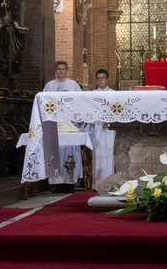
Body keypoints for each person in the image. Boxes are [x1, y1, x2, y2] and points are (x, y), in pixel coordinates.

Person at [43, 61, 82, 193]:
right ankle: (56, 183)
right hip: (55, 124)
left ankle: (70, 183)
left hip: (69, 123)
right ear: (56, 71)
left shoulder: (73, 85)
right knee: (56, 152)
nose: (61, 71)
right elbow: (43, 103)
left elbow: (79, 102)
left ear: (67, 70)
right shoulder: (49, 85)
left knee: (70, 151)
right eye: (58, 69)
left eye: (63, 69)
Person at [91, 69, 116, 188]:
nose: (100, 80)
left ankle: (110, 182)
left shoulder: (113, 94)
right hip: (98, 126)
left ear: (107, 79)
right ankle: (98, 183)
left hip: (110, 127)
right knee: (98, 153)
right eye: (98, 78)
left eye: (103, 78)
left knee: (110, 152)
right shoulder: (92, 94)